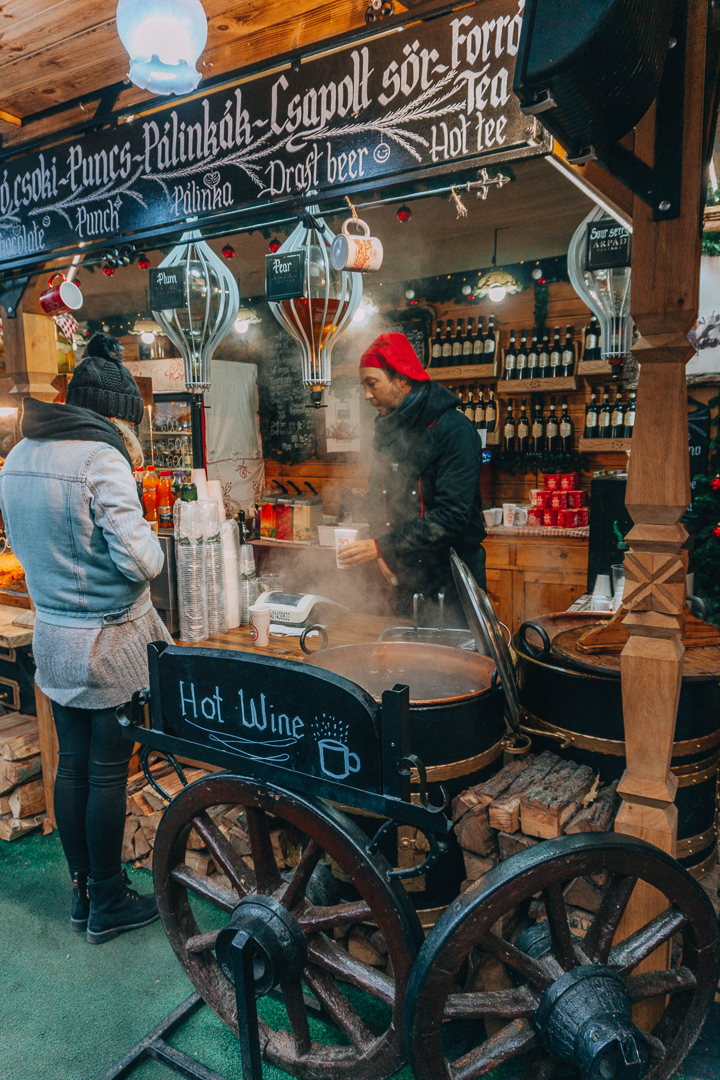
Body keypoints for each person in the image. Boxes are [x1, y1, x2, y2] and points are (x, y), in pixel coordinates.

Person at [0, 333, 172, 944]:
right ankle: (109, 902)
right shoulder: (103, 460)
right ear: (115, 417)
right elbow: (142, 561)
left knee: (70, 767)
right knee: (106, 774)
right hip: (109, 644)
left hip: (53, 635)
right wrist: (148, 528)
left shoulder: (20, 454)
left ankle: (82, 896)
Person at [338, 332, 486, 625]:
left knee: (453, 665)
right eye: (364, 386)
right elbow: (380, 494)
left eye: (372, 384)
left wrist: (382, 547)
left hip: (452, 580)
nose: (367, 395)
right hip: (407, 575)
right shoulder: (388, 429)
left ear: (402, 379)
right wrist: (379, 547)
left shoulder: (453, 429)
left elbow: (450, 518)